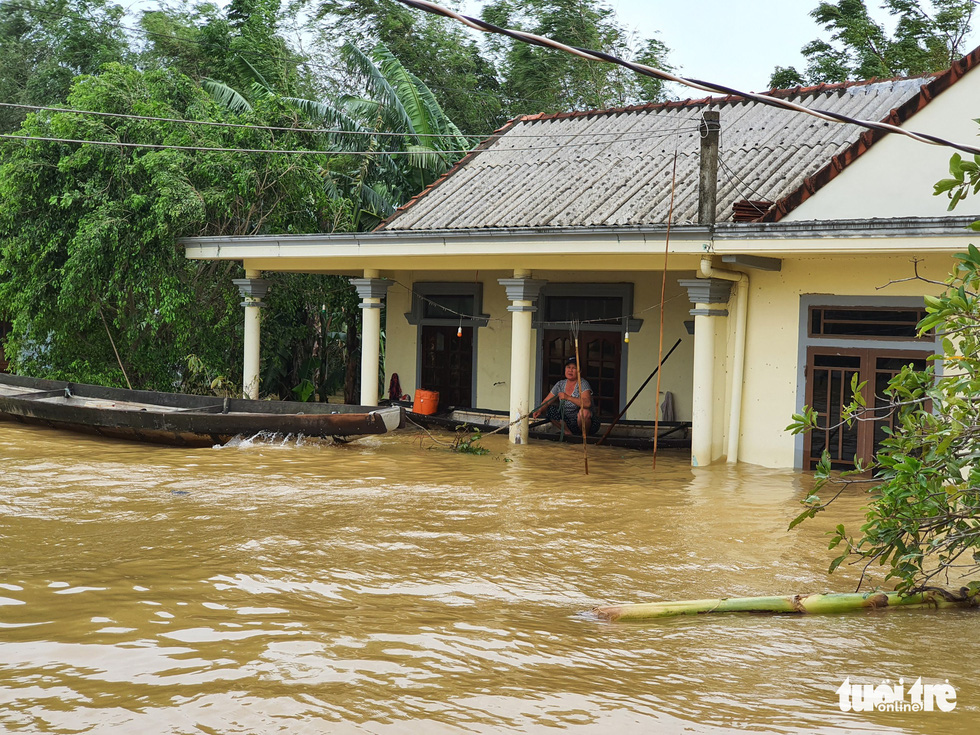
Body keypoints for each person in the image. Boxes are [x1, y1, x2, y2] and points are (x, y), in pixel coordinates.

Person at [533, 356, 601, 436]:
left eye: (574, 368)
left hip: (586, 424)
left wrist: (568, 397)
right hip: (567, 423)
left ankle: (584, 436)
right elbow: (546, 402)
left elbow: (587, 404)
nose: (570, 370)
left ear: (579, 371)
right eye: (568, 367)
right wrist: (539, 410)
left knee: (584, 412)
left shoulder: (583, 384)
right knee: (549, 409)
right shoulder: (560, 384)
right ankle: (567, 432)